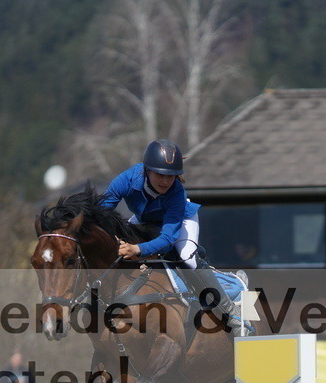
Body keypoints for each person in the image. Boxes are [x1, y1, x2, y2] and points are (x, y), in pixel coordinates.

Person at [103, 139, 243, 335]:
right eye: (160, 174)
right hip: (145, 219)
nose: (166, 181)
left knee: (187, 258)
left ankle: (232, 314)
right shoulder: (126, 180)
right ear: (147, 170)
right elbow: (101, 212)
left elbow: (168, 238)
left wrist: (137, 250)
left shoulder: (176, 192)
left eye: (172, 176)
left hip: (180, 221)